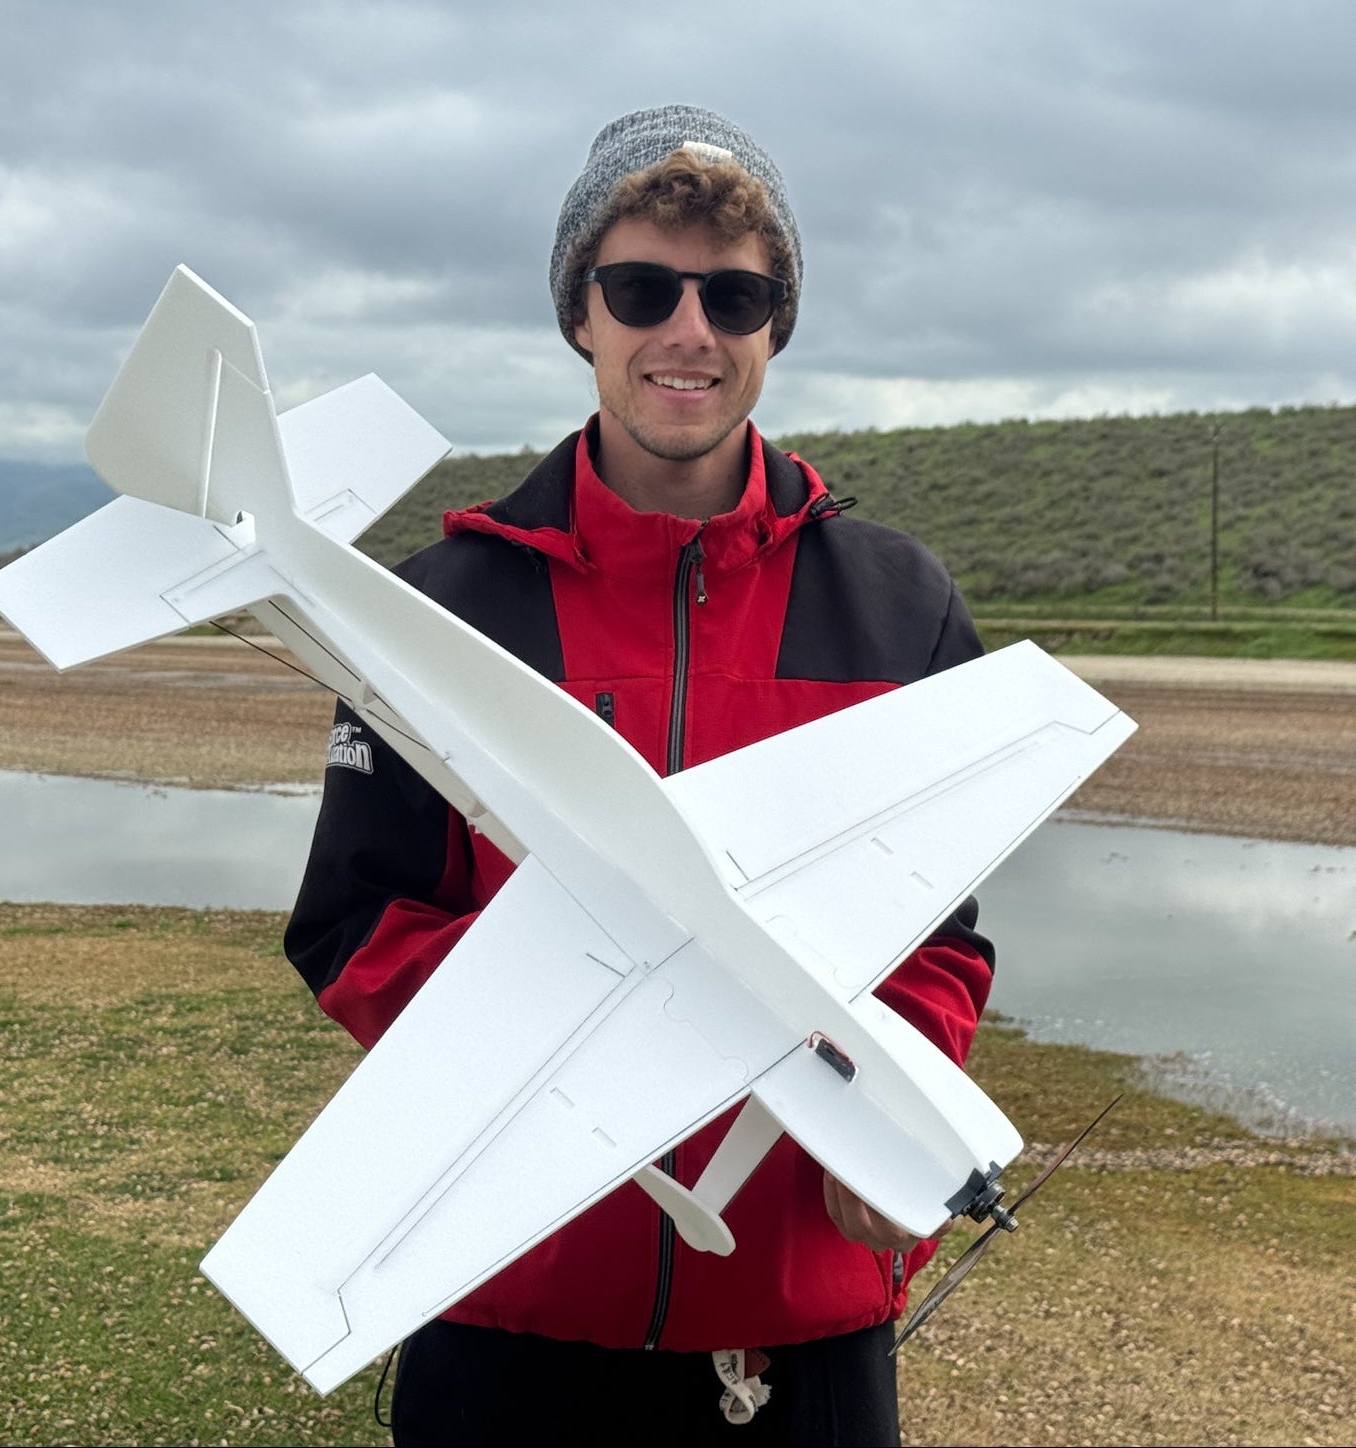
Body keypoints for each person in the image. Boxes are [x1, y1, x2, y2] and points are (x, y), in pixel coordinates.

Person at [284, 105, 996, 1446]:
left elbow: (939, 935)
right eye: (640, 289)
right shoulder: (444, 607)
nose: (689, 331)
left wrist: (891, 1099)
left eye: (735, 296)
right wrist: (581, 1053)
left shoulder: (898, 603)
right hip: (509, 1307)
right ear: (581, 315)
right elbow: (352, 926)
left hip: (799, 1332)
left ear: (775, 324)